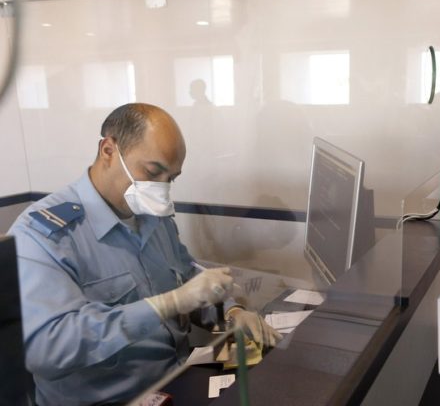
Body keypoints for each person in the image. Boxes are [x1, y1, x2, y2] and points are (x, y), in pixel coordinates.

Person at [8, 103, 281, 405]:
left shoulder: (152, 214)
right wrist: (166, 304)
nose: (161, 189)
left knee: (279, 380)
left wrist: (231, 311)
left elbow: (188, 276)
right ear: (108, 150)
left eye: (171, 179)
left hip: (176, 380)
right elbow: (47, 349)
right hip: (112, 399)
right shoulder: (44, 235)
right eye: (153, 172)